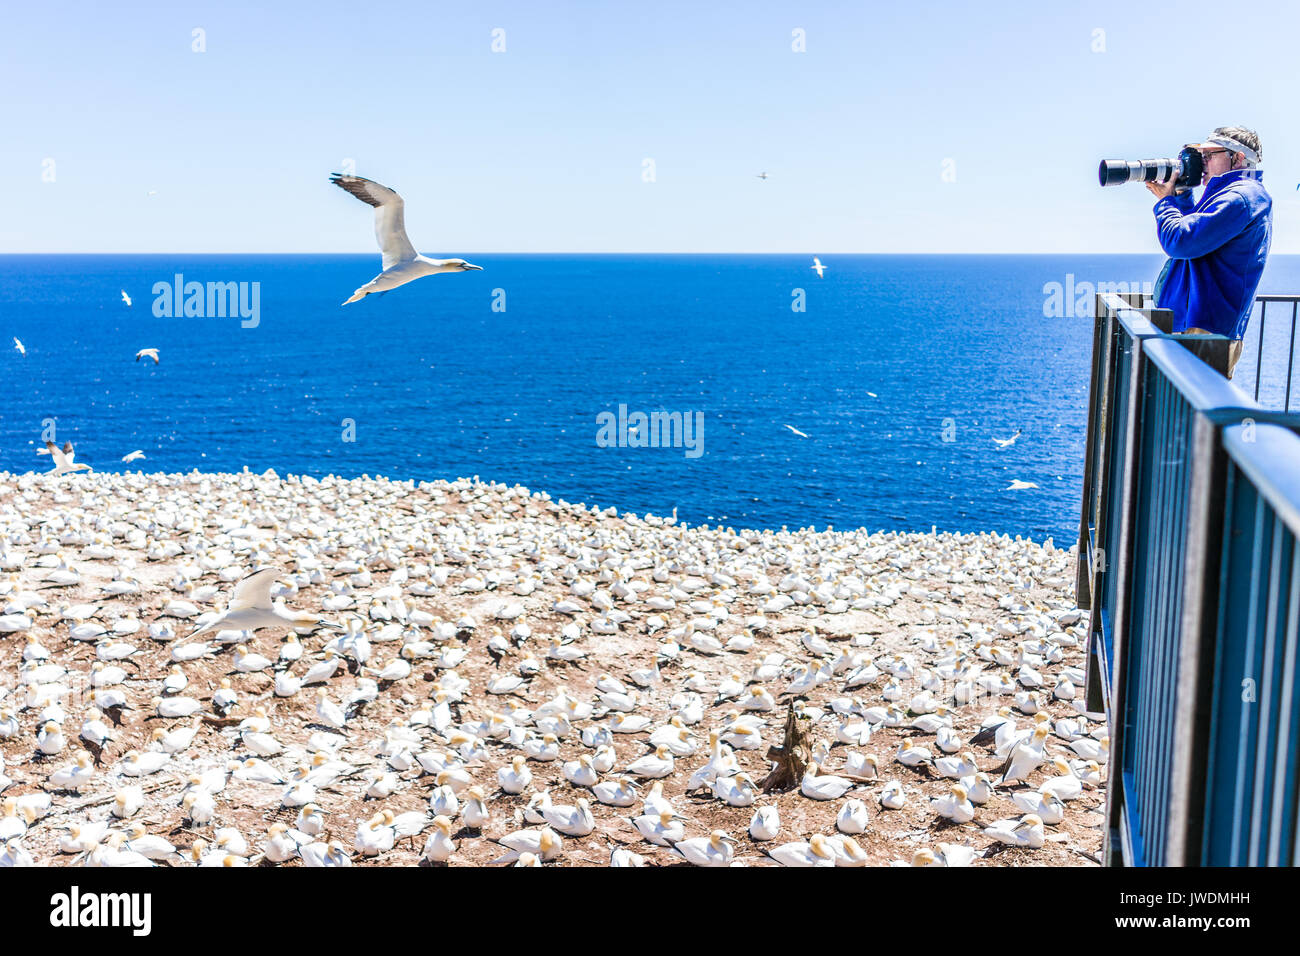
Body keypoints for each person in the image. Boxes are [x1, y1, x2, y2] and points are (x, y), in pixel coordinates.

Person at [1146, 127, 1272, 378]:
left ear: (1237, 158)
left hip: (1206, 333)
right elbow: (1198, 237)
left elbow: (1180, 241)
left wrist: (1165, 203)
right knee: (1176, 412)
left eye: (1209, 156)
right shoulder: (1231, 194)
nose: (1202, 163)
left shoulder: (1240, 198)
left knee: (1187, 414)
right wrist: (1181, 195)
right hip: (1198, 327)